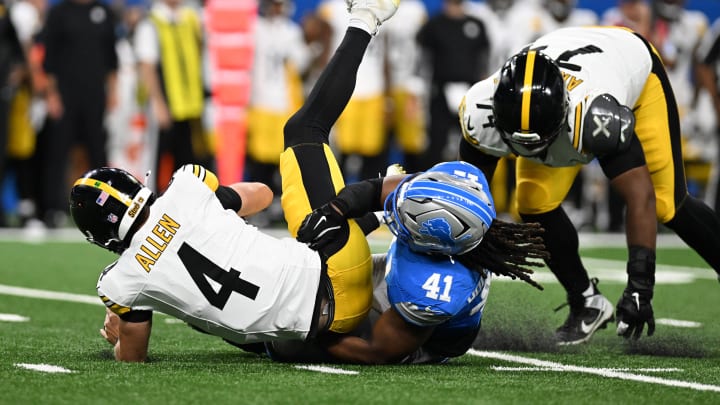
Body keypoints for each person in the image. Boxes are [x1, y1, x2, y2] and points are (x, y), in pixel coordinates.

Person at [70, 0, 402, 363]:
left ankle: (380, 218)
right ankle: (366, 18)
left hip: (312, 335)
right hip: (337, 271)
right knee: (303, 130)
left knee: (205, 315)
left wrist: (119, 318)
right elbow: (262, 194)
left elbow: (130, 358)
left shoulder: (119, 283)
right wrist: (214, 212)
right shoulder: (185, 186)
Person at [458, 26, 720, 345]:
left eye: (540, 144)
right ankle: (587, 301)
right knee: (532, 204)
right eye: (520, 144)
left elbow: (640, 197)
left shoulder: (595, 115)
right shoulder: (480, 111)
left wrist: (640, 286)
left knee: (668, 204)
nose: (533, 154)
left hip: (632, 63)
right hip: (563, 76)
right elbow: (467, 199)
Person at [42, 0, 119, 228]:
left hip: (95, 96)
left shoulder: (103, 12)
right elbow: (49, 60)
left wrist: (113, 92)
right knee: (58, 153)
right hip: (66, 96)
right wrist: (52, 95)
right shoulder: (59, 13)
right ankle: (52, 209)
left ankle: (105, 209)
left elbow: (111, 58)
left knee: (98, 152)